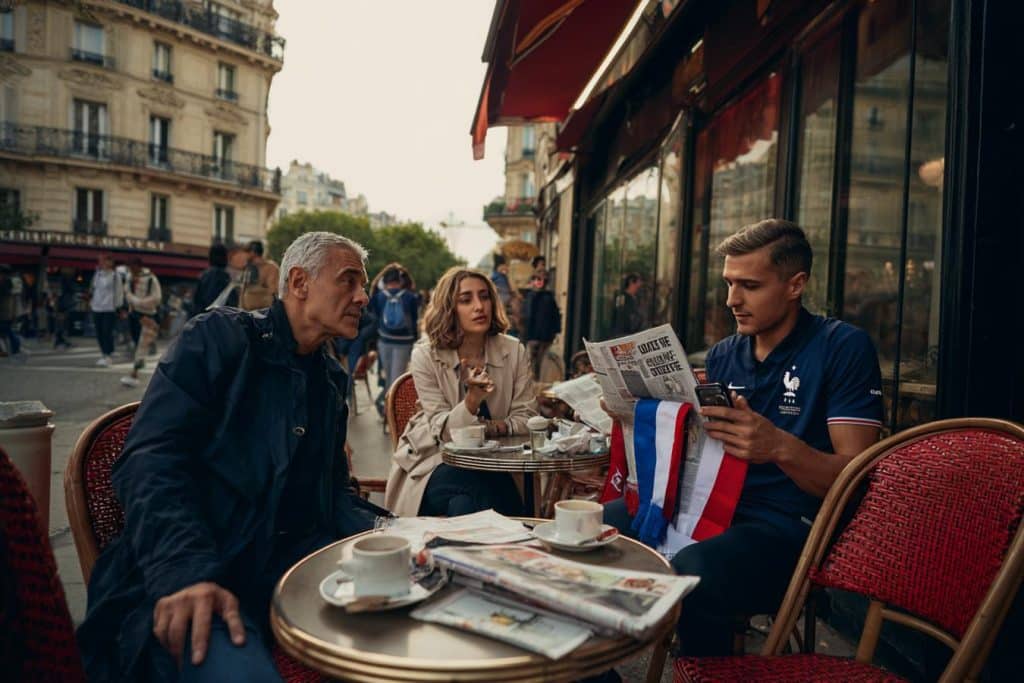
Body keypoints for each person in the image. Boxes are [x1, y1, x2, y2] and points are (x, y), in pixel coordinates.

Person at [78, 231, 389, 682]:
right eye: (349, 281)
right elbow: (150, 460)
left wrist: (397, 532)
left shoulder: (328, 379)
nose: (363, 297)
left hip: (290, 579)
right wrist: (185, 573)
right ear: (299, 283)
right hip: (194, 577)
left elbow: (332, 495)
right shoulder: (220, 338)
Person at [604, 219, 883, 656]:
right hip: (708, 506)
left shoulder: (841, 347)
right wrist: (638, 415)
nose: (733, 300)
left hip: (790, 528)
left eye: (749, 285)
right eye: (729, 284)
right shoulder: (724, 353)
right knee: (591, 531)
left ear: (795, 285)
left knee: (694, 573)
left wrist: (778, 447)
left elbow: (854, 480)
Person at [384, 266, 536, 518]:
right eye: (466, 300)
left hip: (497, 467)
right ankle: (512, 542)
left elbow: (528, 417)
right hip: (435, 462)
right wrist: (472, 401)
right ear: (449, 308)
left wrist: (492, 428)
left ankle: (456, 555)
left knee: (465, 504)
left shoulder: (513, 350)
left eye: (485, 296)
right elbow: (444, 432)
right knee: (471, 483)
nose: (479, 306)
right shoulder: (425, 355)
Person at [370, 264, 419, 414]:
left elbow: (375, 315)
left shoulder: (379, 297)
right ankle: (391, 410)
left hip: (384, 340)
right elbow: (415, 318)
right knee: (397, 377)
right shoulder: (410, 297)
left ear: (384, 281)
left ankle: (386, 406)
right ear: (400, 280)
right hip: (404, 341)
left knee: (388, 375)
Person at [121, 258, 162, 387]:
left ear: (139, 266)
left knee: (141, 346)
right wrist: (134, 301)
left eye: (133, 267)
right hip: (134, 315)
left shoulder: (151, 278)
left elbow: (157, 298)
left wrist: (139, 302)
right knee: (137, 341)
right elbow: (126, 292)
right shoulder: (129, 277)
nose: (131, 270)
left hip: (148, 315)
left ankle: (134, 373)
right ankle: (139, 364)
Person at [522, 270, 561, 381]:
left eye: (542, 280)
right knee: (531, 364)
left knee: (542, 363)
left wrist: (555, 333)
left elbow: (554, 316)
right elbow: (527, 318)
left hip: (545, 337)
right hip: (532, 336)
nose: (539, 282)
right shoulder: (530, 297)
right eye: (537, 279)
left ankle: (537, 384)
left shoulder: (548, 298)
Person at [89, 254, 124, 367]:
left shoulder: (115, 276)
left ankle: (107, 356)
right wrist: (91, 303)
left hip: (109, 308)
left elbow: (119, 292)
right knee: (99, 332)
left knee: (106, 332)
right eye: (100, 261)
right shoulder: (97, 274)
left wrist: (118, 307)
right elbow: (94, 289)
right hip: (97, 307)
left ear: (110, 262)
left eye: (104, 260)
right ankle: (105, 353)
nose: (101, 263)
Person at [191, 243, 233, 317]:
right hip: (221, 320)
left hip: (204, 319)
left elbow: (197, 301)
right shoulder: (226, 277)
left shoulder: (205, 276)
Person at [238, 240, 280, 311]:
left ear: (253, 253)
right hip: (247, 314)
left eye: (247, 252)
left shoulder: (270, 268)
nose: (244, 255)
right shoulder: (248, 268)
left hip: (263, 314)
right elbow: (243, 290)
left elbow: (273, 291)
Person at [0, 265, 23, 359]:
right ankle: (10, 349)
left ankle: (14, 348)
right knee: (6, 332)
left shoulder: (5, 285)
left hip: (4, 313)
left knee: (7, 332)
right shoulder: (8, 284)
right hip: (7, 313)